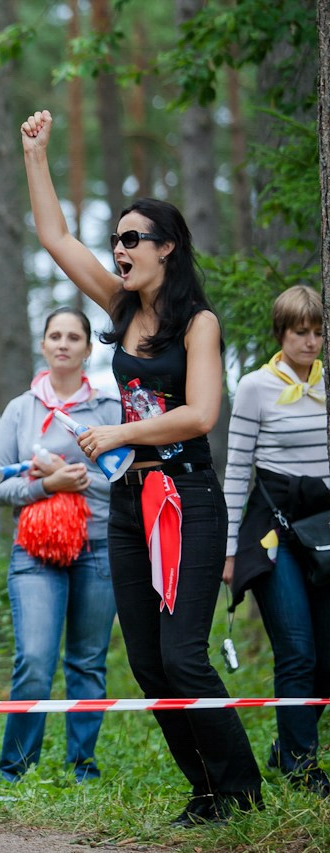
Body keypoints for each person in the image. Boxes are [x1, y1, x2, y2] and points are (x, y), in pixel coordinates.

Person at [21, 109, 262, 826]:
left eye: (131, 239)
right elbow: (54, 237)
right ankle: (205, 792)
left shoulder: (199, 323)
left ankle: (240, 790)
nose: (118, 249)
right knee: (151, 666)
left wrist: (120, 427)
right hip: (129, 500)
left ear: (168, 247)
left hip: (186, 494)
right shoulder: (122, 308)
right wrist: (35, 154)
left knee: (185, 655)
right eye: (116, 239)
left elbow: (200, 414)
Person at [0, 307, 120, 783]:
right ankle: (16, 769)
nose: (63, 344)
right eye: (54, 336)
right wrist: (48, 486)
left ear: (88, 348)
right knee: (35, 662)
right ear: (43, 346)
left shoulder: (108, 409)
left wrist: (74, 481)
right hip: (35, 553)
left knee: (87, 662)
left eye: (74, 337)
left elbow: (125, 479)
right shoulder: (23, 408)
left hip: (100, 548)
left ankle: (83, 765)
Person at [222, 285, 329, 797]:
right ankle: (302, 767)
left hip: (325, 531)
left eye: (317, 332)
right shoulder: (255, 387)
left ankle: (288, 747)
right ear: (281, 334)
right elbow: (238, 470)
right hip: (275, 531)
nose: (310, 343)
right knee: (298, 650)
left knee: (326, 655)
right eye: (299, 332)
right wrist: (226, 548)